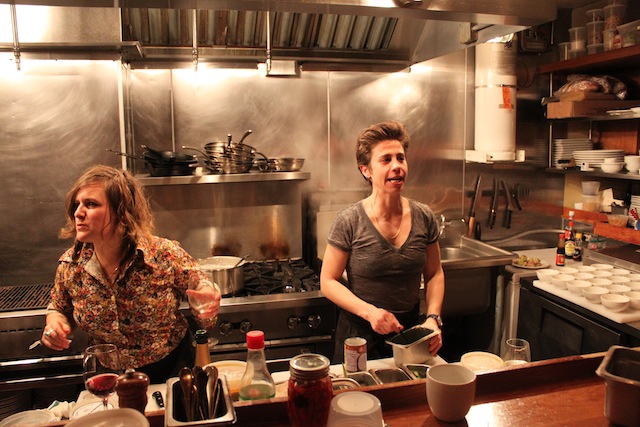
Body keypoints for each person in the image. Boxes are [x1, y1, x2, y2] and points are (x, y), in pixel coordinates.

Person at [42, 165, 220, 383]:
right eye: (77, 204)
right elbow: (58, 307)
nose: (78, 212)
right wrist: (54, 324)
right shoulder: (71, 265)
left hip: (171, 371)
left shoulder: (163, 254)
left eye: (91, 204)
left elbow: (200, 284)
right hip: (108, 377)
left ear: (122, 213)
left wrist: (207, 295)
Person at [320, 121, 445, 363]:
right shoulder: (349, 220)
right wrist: (370, 313)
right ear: (366, 170)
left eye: (401, 158)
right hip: (359, 337)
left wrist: (433, 318)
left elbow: (434, 273)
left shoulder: (424, 216)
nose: (397, 166)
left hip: (410, 335)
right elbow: (328, 281)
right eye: (386, 160)